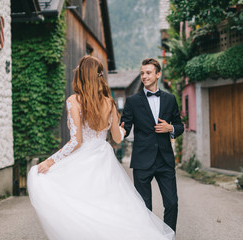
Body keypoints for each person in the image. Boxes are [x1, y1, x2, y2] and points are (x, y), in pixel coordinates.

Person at [27, 56, 175, 240]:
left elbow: (76, 141)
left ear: (81, 75)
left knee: (83, 208)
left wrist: (50, 161)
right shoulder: (109, 102)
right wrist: (121, 129)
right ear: (98, 76)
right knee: (109, 207)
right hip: (104, 159)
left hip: (83, 161)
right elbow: (117, 138)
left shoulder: (74, 101)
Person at [120, 58, 184, 232]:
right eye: (142, 73)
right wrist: (118, 132)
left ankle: (168, 236)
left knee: (172, 203)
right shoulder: (132, 101)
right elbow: (125, 127)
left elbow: (179, 126)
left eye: (148, 73)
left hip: (165, 160)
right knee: (144, 207)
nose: (144, 76)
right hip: (142, 160)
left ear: (158, 74)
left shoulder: (170, 99)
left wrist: (170, 127)